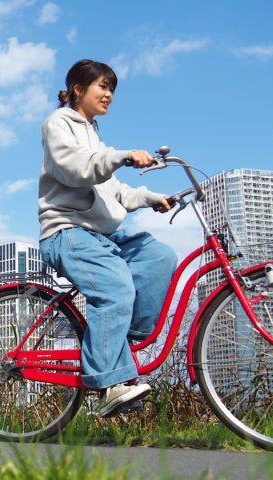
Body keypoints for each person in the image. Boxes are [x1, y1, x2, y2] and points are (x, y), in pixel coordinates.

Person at [38, 59, 177, 417]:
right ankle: (108, 382)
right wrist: (122, 156)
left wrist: (152, 198)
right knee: (116, 290)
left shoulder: (96, 137)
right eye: (102, 86)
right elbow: (75, 168)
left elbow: (116, 194)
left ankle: (116, 343)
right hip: (69, 232)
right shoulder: (59, 124)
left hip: (104, 235)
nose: (109, 94)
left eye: (112, 88)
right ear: (78, 89)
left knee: (159, 257)